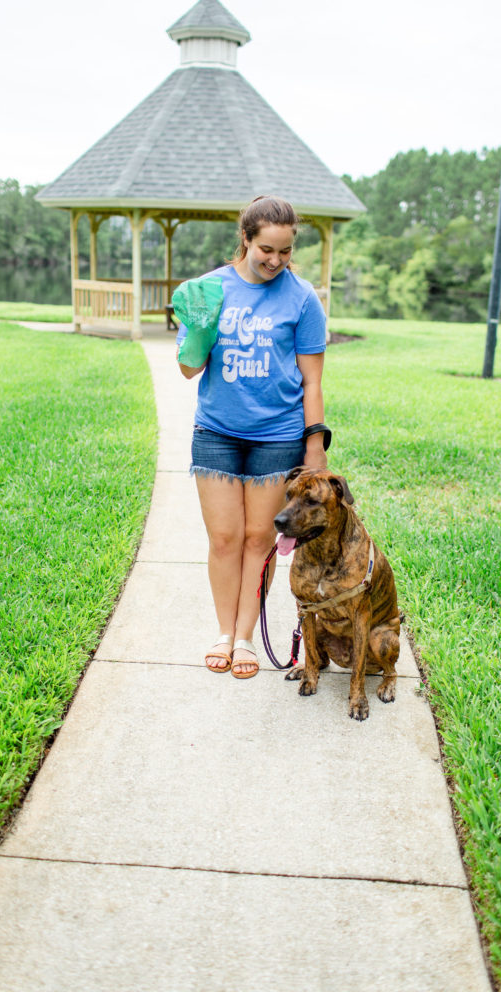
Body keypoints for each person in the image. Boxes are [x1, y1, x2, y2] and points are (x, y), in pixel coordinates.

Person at [177, 195, 329, 679]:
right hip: (217, 432)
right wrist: (200, 327)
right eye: (266, 249)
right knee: (224, 538)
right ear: (245, 239)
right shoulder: (208, 290)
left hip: (278, 435)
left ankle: (245, 639)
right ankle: (224, 632)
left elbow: (312, 381)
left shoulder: (302, 298)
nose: (276, 261)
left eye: (285, 252)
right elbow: (187, 368)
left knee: (260, 539)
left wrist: (315, 447)